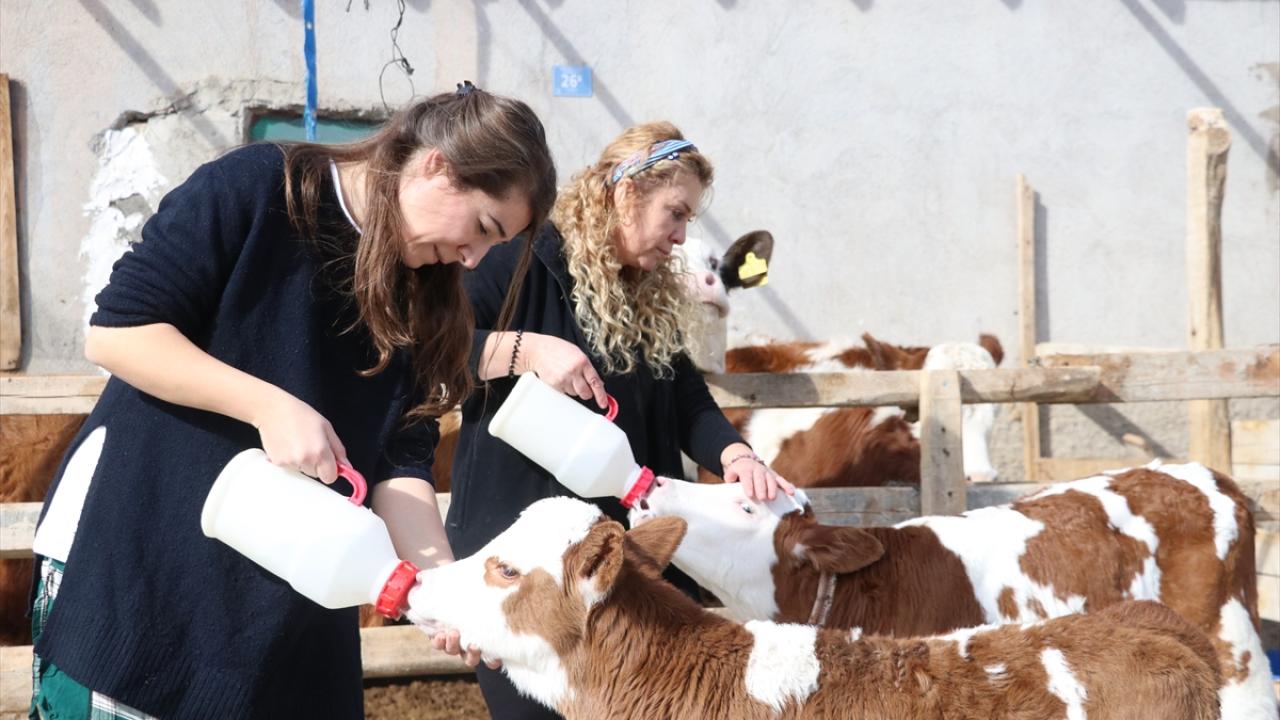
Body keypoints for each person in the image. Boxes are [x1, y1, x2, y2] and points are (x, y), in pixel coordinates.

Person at [27, 83, 556, 720]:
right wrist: (267, 406)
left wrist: (441, 585)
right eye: (482, 227)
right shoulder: (259, 189)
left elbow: (400, 461)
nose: (473, 258)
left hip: (289, 599)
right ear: (437, 165)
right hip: (144, 568)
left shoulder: (426, 292)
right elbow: (118, 332)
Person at [443, 121, 795, 719]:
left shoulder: (648, 291)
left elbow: (686, 399)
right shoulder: (518, 259)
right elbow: (436, 349)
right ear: (627, 192)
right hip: (524, 572)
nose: (682, 237)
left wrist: (736, 456)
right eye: (675, 213)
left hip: (622, 572)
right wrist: (525, 351)